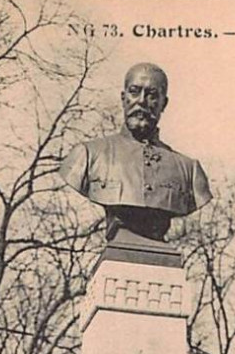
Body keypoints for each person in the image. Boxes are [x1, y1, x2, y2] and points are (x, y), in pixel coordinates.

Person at [59, 62, 211, 242]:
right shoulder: (88, 155)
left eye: (152, 95)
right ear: (123, 98)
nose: (141, 101)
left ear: (164, 103)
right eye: (134, 91)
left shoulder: (189, 170)